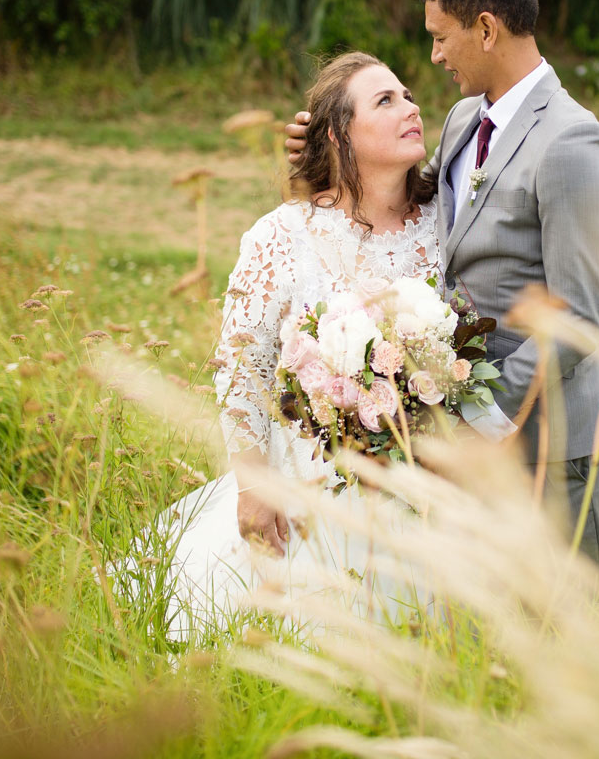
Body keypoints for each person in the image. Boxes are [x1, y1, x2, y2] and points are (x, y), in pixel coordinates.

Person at [286, 0, 599, 573]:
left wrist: (469, 415)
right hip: (480, 456)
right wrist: (323, 154)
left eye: (441, 37)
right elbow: (417, 211)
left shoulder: (572, 142)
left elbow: (579, 315)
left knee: (578, 632)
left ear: (485, 28)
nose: (435, 55)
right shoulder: (460, 120)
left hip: (557, 446)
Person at [135, 51, 481, 640]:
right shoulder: (282, 235)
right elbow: (241, 369)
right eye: (385, 100)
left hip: (426, 479)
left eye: (408, 95)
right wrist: (253, 486)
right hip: (315, 482)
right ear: (338, 135)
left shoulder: (446, 224)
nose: (412, 107)